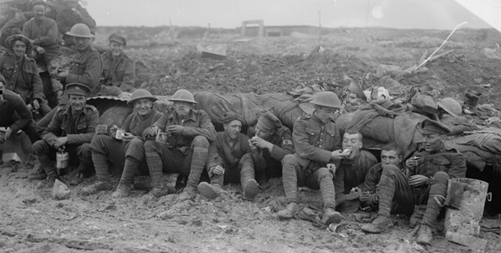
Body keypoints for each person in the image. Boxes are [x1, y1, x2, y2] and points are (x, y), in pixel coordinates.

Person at [361, 119, 467, 246]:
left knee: (441, 175)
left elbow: (455, 188)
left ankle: (426, 227)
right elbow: (409, 181)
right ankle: (383, 218)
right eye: (423, 136)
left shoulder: (455, 157)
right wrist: (409, 169)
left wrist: (428, 180)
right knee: (390, 169)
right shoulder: (419, 153)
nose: (425, 141)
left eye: (430, 137)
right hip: (413, 202)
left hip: (436, 205)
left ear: (442, 137)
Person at [112, 89, 216, 199]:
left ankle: (190, 188)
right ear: (174, 105)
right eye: (177, 103)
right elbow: (150, 130)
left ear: (191, 105)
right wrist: (153, 130)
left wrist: (184, 130)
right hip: (170, 157)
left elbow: (212, 134)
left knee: (201, 140)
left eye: (185, 103)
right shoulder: (168, 114)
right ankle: (158, 187)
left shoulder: (201, 115)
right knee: (150, 144)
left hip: (189, 159)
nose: (181, 106)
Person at [277, 91, 349, 225]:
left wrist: (333, 163)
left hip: (317, 173)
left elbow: (336, 149)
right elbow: (303, 149)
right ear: (317, 108)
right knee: (288, 159)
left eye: (334, 112)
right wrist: (329, 156)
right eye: (328, 111)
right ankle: (291, 205)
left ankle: (329, 210)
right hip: (300, 170)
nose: (331, 115)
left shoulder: (333, 126)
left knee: (325, 173)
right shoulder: (302, 123)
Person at [79, 89, 162, 195]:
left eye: (145, 102)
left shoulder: (158, 117)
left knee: (135, 143)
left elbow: (159, 143)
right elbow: (123, 133)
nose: (142, 106)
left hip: (148, 162)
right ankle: (103, 181)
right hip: (130, 156)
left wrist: (136, 138)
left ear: (151, 104)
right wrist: (116, 133)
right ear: (133, 106)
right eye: (138, 103)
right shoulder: (132, 117)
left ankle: (124, 185)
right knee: (98, 139)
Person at [36, 23, 102, 133]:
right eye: (77, 39)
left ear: (89, 39)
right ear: (73, 39)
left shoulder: (93, 56)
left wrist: (67, 76)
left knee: (40, 127)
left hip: (76, 99)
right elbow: (76, 76)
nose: (80, 42)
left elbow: (90, 80)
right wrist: (61, 76)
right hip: (67, 97)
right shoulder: (80, 54)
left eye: (84, 39)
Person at [32, 83, 99, 188]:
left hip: (79, 153)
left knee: (86, 148)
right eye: (74, 98)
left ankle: (81, 173)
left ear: (86, 99)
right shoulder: (61, 112)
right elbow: (47, 131)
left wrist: (67, 139)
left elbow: (92, 135)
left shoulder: (92, 113)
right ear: (69, 99)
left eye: (80, 98)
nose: (77, 102)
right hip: (62, 150)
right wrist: (55, 142)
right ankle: (52, 176)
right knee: (38, 145)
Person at [197, 112, 264, 200]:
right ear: (225, 126)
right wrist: (213, 167)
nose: (237, 130)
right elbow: (211, 155)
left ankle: (248, 187)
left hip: (240, 174)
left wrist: (255, 151)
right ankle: (216, 187)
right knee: (217, 158)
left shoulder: (244, 139)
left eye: (239, 127)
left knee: (247, 157)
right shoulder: (217, 137)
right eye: (234, 126)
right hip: (223, 174)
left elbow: (261, 166)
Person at [0, 34, 51, 117]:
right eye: (17, 46)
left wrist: (36, 98)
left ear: (26, 49)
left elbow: (37, 83)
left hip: (26, 96)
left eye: (23, 46)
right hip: (7, 95)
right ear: (12, 47)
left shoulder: (31, 63)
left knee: (47, 111)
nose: (20, 49)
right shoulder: (4, 58)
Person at [22, 0, 63, 103]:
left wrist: (35, 41)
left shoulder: (51, 23)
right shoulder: (28, 25)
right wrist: (36, 47)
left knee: (54, 70)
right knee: (27, 59)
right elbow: (25, 40)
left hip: (51, 51)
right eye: (37, 10)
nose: (40, 13)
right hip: (35, 51)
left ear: (45, 11)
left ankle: (59, 95)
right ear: (33, 11)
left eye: (42, 10)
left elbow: (51, 39)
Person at [332, 131, 378, 211]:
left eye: (353, 141)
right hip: (347, 196)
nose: (348, 144)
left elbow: (375, 181)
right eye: (345, 141)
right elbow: (338, 195)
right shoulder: (338, 164)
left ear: (360, 145)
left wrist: (361, 190)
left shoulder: (369, 159)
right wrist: (355, 195)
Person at [356, 143, 404, 211]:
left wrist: (384, 193)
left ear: (400, 159)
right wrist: (378, 196)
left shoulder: (408, 171)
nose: (387, 162)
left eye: (391, 158)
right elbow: (366, 199)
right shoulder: (375, 170)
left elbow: (407, 199)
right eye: (384, 157)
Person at [248, 111, 294, 181]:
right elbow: (258, 165)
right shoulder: (251, 132)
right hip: (264, 168)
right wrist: (255, 150)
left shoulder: (283, 133)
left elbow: (288, 155)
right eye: (257, 127)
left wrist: (268, 145)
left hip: (280, 167)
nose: (257, 132)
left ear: (272, 132)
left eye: (262, 131)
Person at [0, 74, 39, 144]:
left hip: (10, 119)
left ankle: (37, 150)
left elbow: (27, 117)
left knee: (33, 126)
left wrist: (12, 128)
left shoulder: (13, 98)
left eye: (0, 88)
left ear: (4, 87)